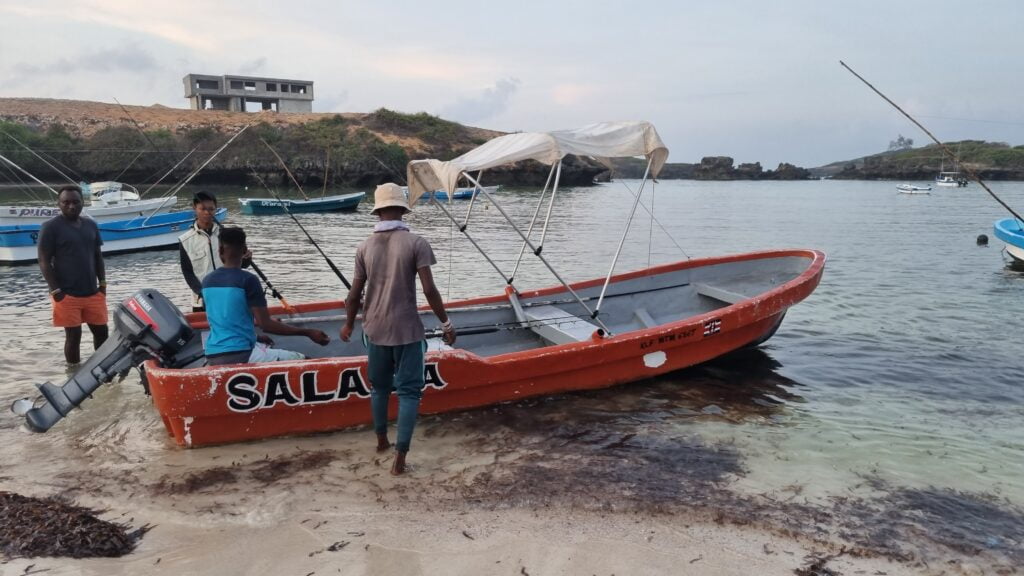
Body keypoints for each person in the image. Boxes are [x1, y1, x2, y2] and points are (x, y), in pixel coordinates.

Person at [340, 183, 456, 475]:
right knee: (409, 393)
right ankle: (400, 459)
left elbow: (354, 295)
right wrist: (446, 322)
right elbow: (429, 290)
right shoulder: (417, 243)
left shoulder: (364, 247)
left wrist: (348, 324)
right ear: (404, 209)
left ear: (378, 211)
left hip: (374, 329)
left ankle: (381, 441)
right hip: (407, 330)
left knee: (379, 389)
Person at [202, 226, 329, 366]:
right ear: (244, 250)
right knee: (307, 363)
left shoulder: (207, 281)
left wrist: (256, 337)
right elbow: (266, 324)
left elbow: (228, 321)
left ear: (220, 250)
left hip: (212, 353)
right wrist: (308, 332)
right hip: (241, 354)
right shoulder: (249, 280)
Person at [37, 184, 109, 364]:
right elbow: (44, 261)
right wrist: (56, 291)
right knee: (73, 336)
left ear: (83, 202)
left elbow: (98, 256)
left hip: (93, 292)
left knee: (102, 333)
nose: (71, 206)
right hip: (66, 294)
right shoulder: (50, 227)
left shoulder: (91, 225)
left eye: (76, 202)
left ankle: (103, 372)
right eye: (66, 202)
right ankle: (74, 375)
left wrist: (103, 284)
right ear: (58, 204)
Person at [179, 191, 222, 313]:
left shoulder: (226, 234)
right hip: (201, 301)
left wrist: (246, 259)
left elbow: (239, 263)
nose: (207, 213)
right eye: (203, 209)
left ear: (216, 209)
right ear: (194, 208)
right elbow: (187, 272)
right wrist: (201, 292)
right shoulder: (185, 240)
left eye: (211, 209)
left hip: (227, 296)